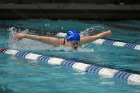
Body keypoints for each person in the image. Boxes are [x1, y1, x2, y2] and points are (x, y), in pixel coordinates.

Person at [15, 30, 112, 50]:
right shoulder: (57, 42)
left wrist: (107, 32)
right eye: (74, 43)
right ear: (68, 41)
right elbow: (39, 38)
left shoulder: (81, 41)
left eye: (77, 43)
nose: (76, 45)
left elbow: (96, 36)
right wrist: (23, 35)